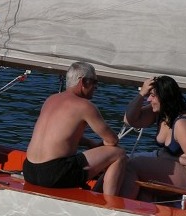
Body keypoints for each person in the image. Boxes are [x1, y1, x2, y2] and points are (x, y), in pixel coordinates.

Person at [23, 62, 127, 195]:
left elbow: (59, 135)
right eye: (95, 82)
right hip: (54, 174)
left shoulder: (50, 99)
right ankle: (109, 204)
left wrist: (89, 143)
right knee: (119, 154)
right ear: (83, 82)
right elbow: (112, 140)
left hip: (29, 170)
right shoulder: (85, 106)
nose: (96, 87)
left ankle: (96, 196)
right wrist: (105, 147)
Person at [115, 75, 186, 200]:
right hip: (169, 165)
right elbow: (129, 120)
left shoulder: (182, 124)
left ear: (164, 97)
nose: (149, 100)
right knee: (120, 161)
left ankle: (118, 206)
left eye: (152, 95)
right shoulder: (159, 114)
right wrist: (142, 94)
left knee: (132, 165)